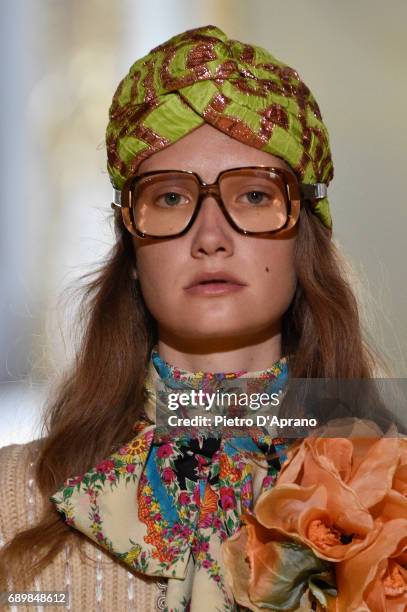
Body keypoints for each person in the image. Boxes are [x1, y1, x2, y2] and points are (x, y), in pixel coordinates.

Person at [0, 25, 388, 611]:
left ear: (304, 238)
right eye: (171, 197)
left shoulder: (393, 495)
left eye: (255, 195)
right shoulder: (12, 502)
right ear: (130, 246)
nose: (211, 236)